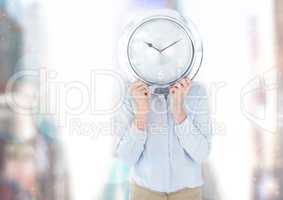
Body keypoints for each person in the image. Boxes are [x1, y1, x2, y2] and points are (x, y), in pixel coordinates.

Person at [114, 78, 211, 200]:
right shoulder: (132, 92)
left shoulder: (196, 91)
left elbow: (201, 154)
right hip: (144, 191)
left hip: (188, 192)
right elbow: (126, 158)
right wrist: (141, 115)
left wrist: (179, 112)